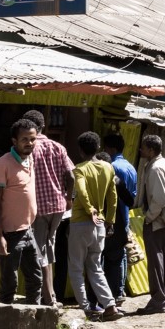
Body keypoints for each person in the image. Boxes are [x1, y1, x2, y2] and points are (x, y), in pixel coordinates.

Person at [65, 131, 123, 319]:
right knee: (95, 267)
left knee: (76, 267)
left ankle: (86, 308)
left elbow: (80, 190)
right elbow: (113, 197)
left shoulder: (79, 169)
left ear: (80, 150)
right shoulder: (108, 167)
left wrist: (90, 210)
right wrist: (110, 220)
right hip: (100, 226)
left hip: (81, 223)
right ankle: (110, 306)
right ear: (98, 147)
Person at [21, 109, 74, 307]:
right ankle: (50, 296)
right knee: (47, 248)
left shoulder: (29, 148)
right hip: (58, 206)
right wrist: (68, 198)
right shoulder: (57, 147)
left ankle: (45, 297)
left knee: (38, 251)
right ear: (44, 125)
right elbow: (71, 175)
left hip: (38, 206)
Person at [0, 120, 44, 304]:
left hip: (28, 229)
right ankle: (4, 326)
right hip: (9, 233)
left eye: (32, 139)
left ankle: (33, 319)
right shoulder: (2, 164)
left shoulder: (30, 159)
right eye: (24, 139)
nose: (29, 143)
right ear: (14, 141)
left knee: (36, 278)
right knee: (9, 283)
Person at [135, 134, 165, 315]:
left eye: (144, 148)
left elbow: (159, 199)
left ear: (151, 150)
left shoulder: (155, 168)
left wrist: (148, 217)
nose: (141, 150)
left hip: (158, 221)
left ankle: (158, 301)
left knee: (156, 262)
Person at [99, 133, 138, 303]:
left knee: (110, 258)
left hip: (115, 218)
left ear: (111, 149)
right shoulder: (130, 166)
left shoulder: (112, 168)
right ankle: (120, 291)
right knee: (119, 255)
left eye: (105, 148)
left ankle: (112, 293)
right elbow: (132, 196)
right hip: (125, 217)